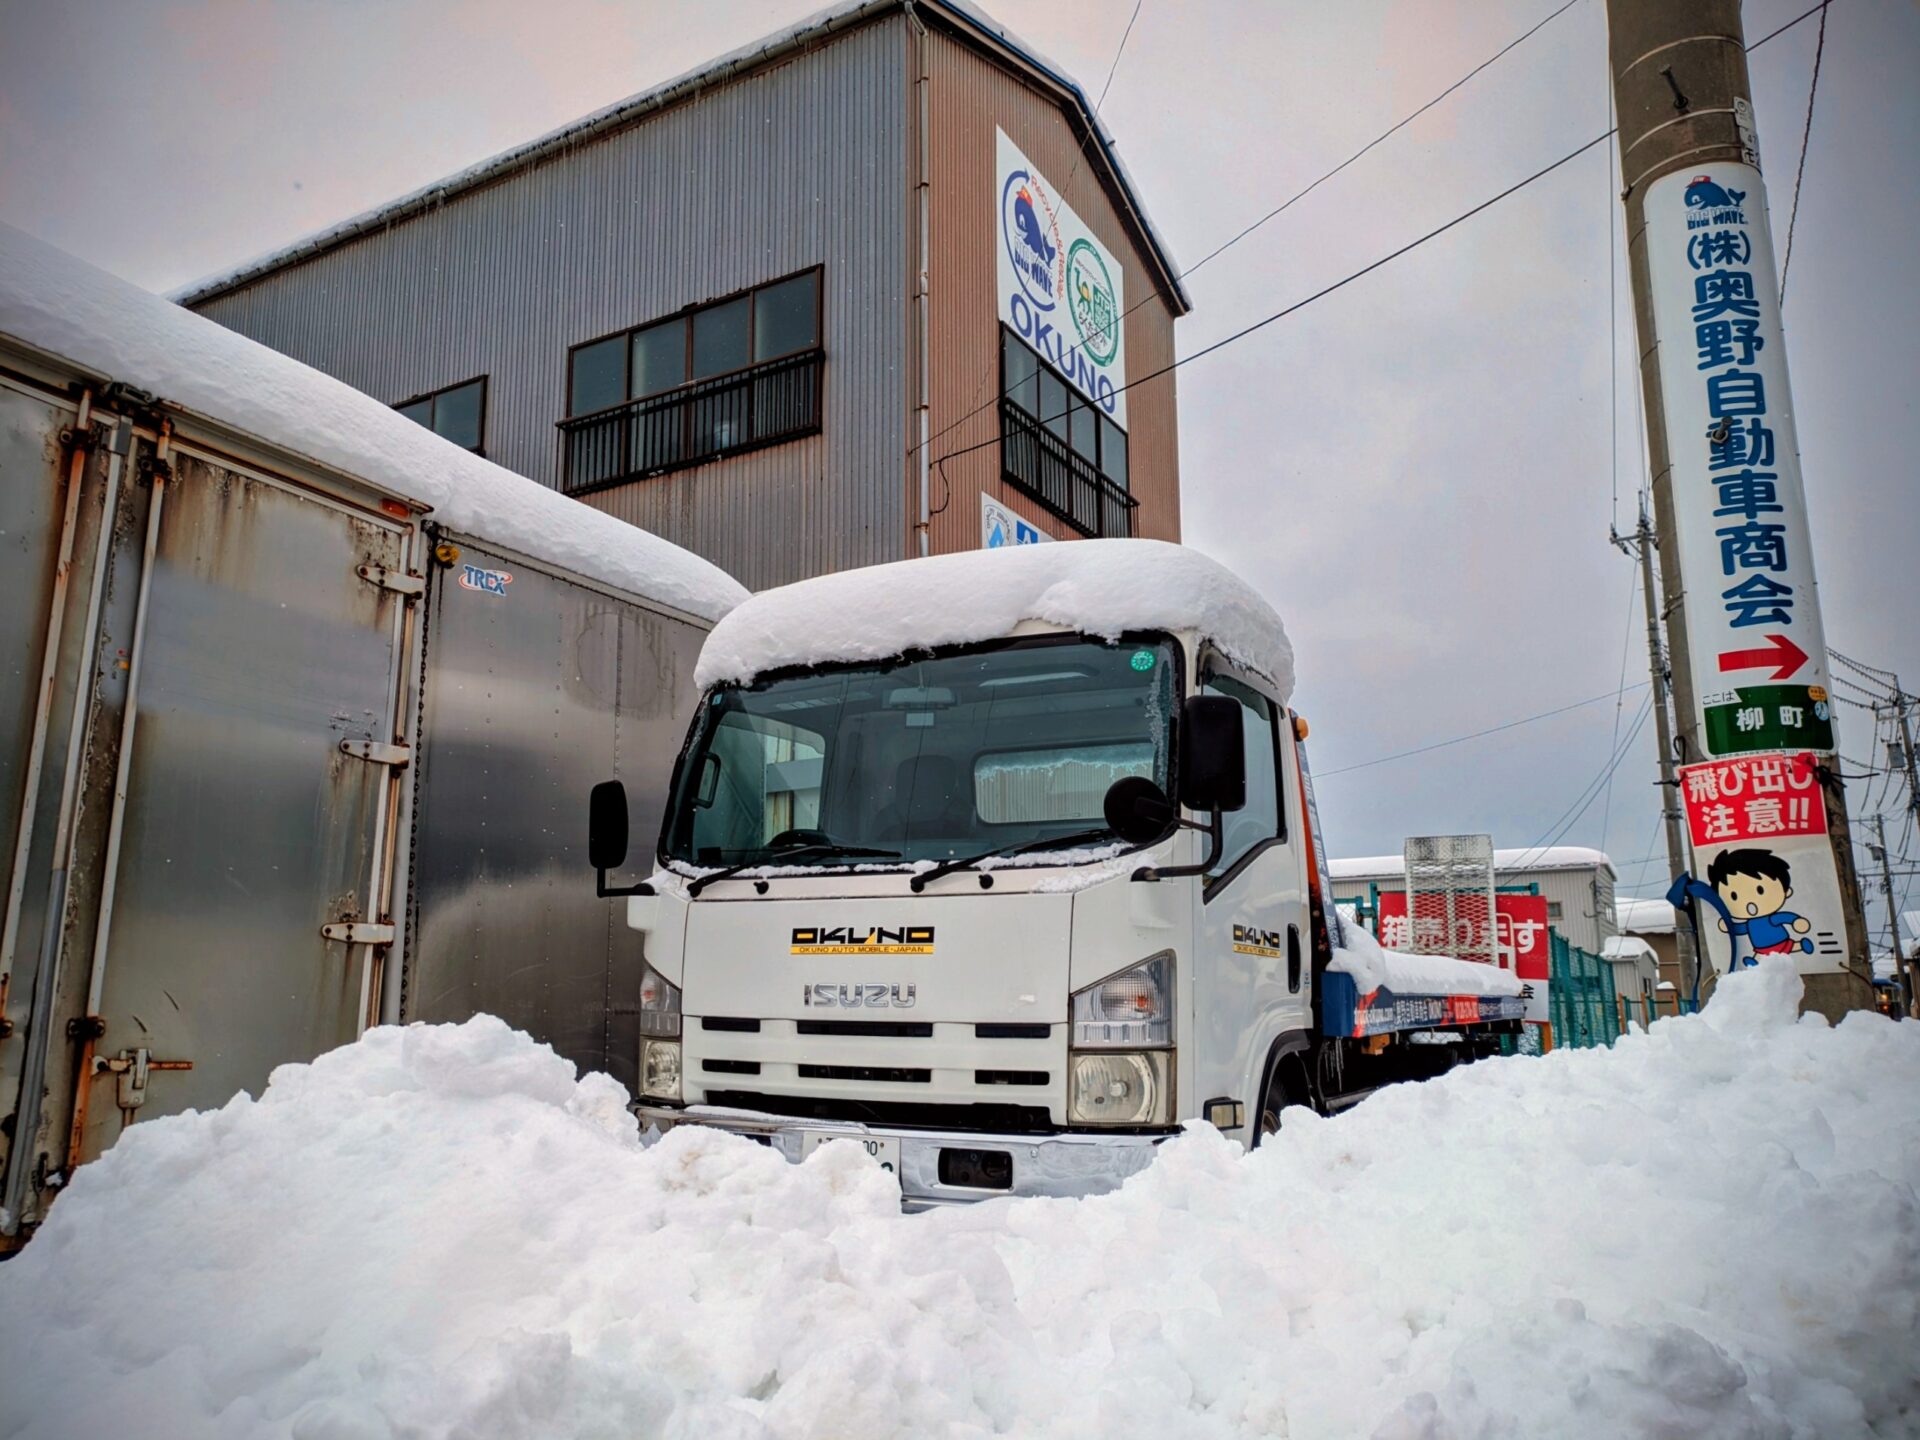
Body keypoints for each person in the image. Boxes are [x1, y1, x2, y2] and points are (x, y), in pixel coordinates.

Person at [1706, 848, 1814, 959]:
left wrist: (1796, 921)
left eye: (1760, 890)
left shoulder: (1771, 919)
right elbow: (1740, 929)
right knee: (1761, 955)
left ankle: (1801, 945)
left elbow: (1784, 917)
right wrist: (1729, 927)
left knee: (1789, 947)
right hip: (1761, 948)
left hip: (1780, 941)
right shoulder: (1749, 924)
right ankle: (1754, 962)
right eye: (1734, 896)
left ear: (1786, 891)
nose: (1750, 903)